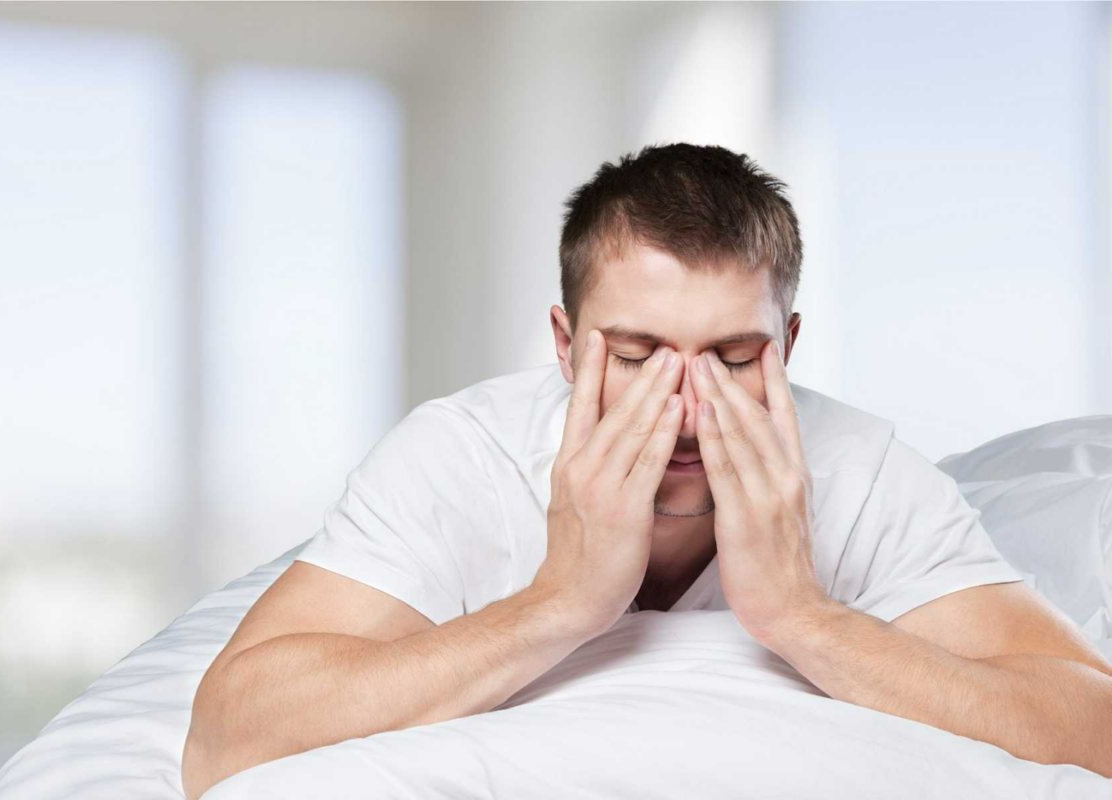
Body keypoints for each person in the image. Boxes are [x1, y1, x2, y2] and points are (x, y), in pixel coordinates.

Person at [181, 143, 1112, 799]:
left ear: (788, 347)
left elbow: (1093, 728)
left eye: (734, 359)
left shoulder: (860, 471)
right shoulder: (461, 455)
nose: (687, 408)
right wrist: (558, 604)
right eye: (635, 356)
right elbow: (227, 736)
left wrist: (803, 617)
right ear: (564, 343)